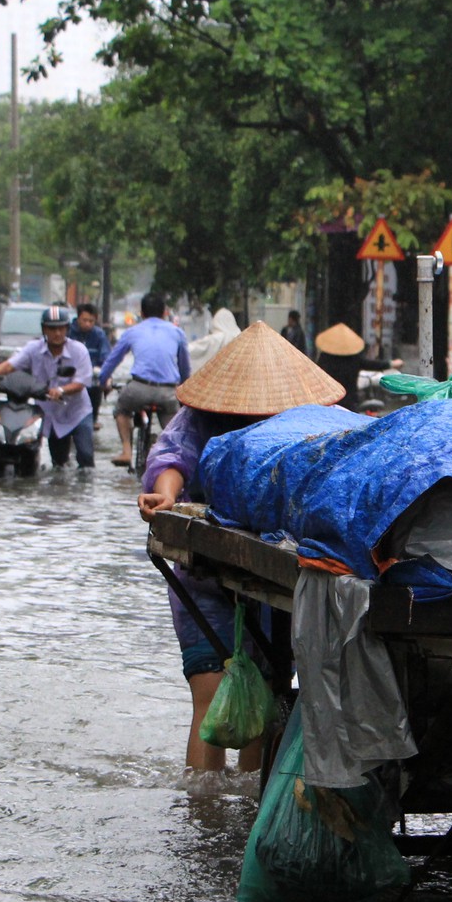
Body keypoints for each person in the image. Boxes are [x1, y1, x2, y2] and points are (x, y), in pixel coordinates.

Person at [138, 322, 346, 771]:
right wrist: (167, 495)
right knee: (211, 699)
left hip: (281, 574)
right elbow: (171, 458)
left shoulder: (312, 419)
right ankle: (207, 815)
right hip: (207, 574)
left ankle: (247, 815)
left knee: (268, 701)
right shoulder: (200, 418)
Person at [0, 303, 94, 469]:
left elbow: (81, 382)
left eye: (61, 328)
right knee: (58, 464)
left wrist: (60, 390)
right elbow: (10, 365)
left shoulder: (79, 351)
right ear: (44, 330)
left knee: (86, 458)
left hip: (77, 412)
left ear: (67, 329)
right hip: (51, 414)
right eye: (52, 329)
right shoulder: (34, 349)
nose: (57, 333)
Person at [99, 292, 192, 469]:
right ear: (165, 312)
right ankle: (169, 458)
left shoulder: (132, 332)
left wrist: (104, 382)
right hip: (168, 392)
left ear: (141, 313)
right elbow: (185, 368)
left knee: (122, 409)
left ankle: (126, 451)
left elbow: (112, 361)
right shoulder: (177, 333)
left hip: (138, 388)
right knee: (173, 430)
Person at [69, 303, 110, 418]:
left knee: (97, 387)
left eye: (91, 321)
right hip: (70, 375)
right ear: (78, 318)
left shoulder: (99, 335)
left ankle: (93, 418)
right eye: (84, 320)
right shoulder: (68, 332)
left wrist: (106, 375)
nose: (87, 324)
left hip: (92, 376)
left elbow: (106, 356)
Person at [314, 322, 366, 407]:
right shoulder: (354, 358)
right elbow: (370, 364)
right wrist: (390, 364)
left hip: (330, 399)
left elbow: (318, 372)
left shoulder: (325, 357)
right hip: (349, 400)